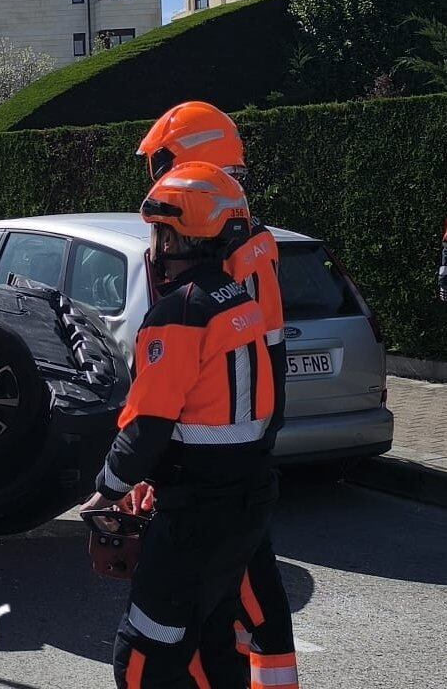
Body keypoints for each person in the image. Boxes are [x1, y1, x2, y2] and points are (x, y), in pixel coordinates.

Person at [80, 163, 281, 689]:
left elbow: (148, 421)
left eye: (158, 232)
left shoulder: (179, 314)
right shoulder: (243, 303)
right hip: (246, 503)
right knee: (215, 644)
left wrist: (108, 488)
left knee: (144, 654)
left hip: (195, 518)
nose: (154, 245)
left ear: (174, 235)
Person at [138, 101, 297, 687]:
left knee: (248, 589)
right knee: (237, 590)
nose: (155, 173)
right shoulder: (234, 236)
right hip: (230, 452)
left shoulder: (231, 247)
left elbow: (242, 357)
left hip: (225, 462)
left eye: (162, 159)